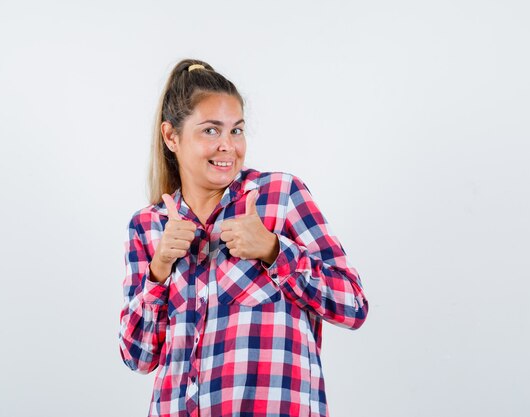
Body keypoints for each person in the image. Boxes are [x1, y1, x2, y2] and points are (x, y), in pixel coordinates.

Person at [118, 58, 369, 417]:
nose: (228, 145)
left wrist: (272, 249)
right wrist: (158, 270)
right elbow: (137, 357)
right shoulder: (147, 225)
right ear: (171, 136)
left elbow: (353, 305)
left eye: (236, 130)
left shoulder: (280, 196)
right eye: (210, 130)